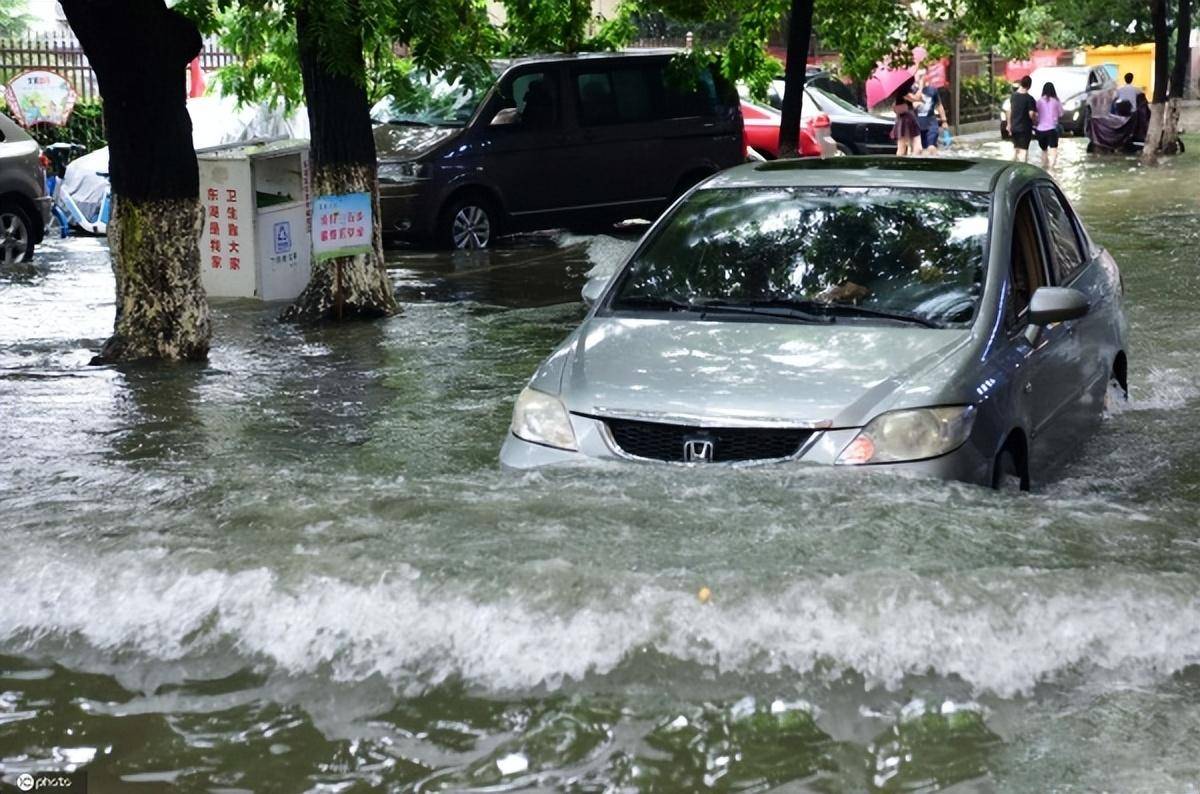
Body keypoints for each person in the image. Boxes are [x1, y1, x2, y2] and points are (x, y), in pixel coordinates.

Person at [914, 68, 947, 153]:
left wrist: (944, 121)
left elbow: (939, 105)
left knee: (931, 146)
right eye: (919, 76)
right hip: (917, 125)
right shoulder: (912, 90)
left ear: (926, 77)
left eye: (923, 75)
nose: (921, 78)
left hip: (931, 124)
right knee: (919, 149)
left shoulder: (932, 90)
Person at [1034, 81, 1063, 169]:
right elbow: (1061, 114)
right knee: (1053, 149)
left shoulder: (1038, 101)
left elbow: (1036, 114)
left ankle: (1044, 167)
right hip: (1052, 129)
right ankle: (1052, 168)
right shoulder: (1056, 101)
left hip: (1040, 130)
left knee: (1044, 151)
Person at [1008, 76, 1036, 162]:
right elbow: (1031, 114)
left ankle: (1012, 168)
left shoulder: (1013, 96)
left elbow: (1010, 111)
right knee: (1024, 151)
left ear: (1021, 83)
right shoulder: (1030, 99)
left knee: (1016, 149)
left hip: (1014, 127)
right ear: (1030, 86)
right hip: (1025, 128)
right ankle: (1023, 169)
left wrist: (1009, 125)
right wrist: (1035, 120)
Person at [891, 80, 922, 156]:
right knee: (904, 147)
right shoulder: (903, 91)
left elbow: (895, 106)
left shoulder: (900, 91)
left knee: (903, 146)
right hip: (907, 119)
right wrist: (921, 86)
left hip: (905, 119)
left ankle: (902, 164)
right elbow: (916, 98)